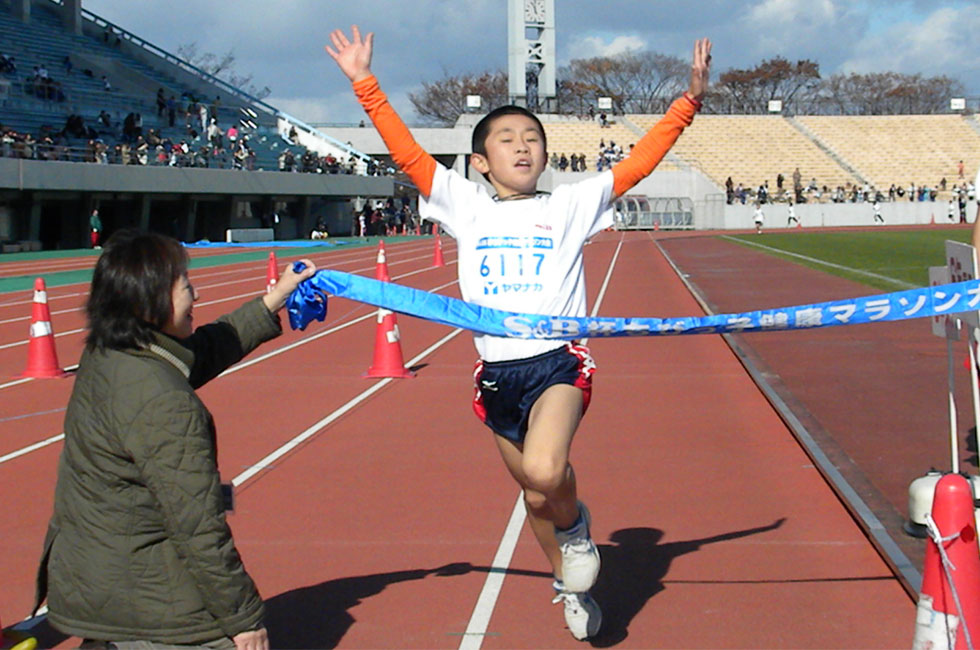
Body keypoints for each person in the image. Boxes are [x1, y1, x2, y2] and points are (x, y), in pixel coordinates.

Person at [326, 25, 711, 641]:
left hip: (559, 362)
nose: (522, 146)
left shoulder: (569, 207)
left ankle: (579, 530)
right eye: (506, 139)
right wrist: (365, 84)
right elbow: (406, 155)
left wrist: (687, 102)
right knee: (535, 497)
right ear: (480, 162)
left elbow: (638, 164)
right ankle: (567, 582)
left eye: (532, 137)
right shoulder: (463, 203)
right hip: (496, 376)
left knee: (544, 468)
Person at [33, 229, 316, 649]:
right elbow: (197, 524)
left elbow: (200, 352)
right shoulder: (165, 403)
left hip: (88, 575)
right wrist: (243, 619)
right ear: (150, 300)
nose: (196, 295)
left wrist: (273, 299)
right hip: (143, 592)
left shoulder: (111, 353)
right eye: (185, 286)